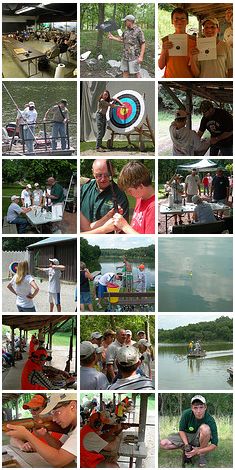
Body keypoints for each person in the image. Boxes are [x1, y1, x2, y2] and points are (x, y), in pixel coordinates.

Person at [5, 393, 77, 467]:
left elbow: (58, 459)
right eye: (30, 410)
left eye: (36, 409)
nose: (32, 412)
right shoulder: (37, 425)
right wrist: (22, 445)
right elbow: (13, 440)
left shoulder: (64, 427)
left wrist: (27, 435)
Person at [160, 395, 218, 468]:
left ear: (205, 407)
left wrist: (198, 451)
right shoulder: (186, 413)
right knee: (163, 444)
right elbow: (181, 430)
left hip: (199, 438)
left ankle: (201, 454)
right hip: (187, 435)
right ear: (192, 408)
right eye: (195, 408)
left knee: (205, 428)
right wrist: (186, 444)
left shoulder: (210, 420)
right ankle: (187, 448)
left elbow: (214, 444)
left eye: (201, 407)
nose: (198, 411)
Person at [81, 159, 129, 225]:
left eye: (107, 175)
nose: (103, 179)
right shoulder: (84, 188)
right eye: (99, 175)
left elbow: (122, 227)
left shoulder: (119, 195)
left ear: (112, 172)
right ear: (93, 173)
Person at [113, 161, 155, 234]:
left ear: (140, 186)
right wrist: (122, 226)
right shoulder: (139, 198)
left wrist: (125, 226)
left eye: (129, 190)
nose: (128, 194)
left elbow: (148, 241)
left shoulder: (153, 208)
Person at [158, 7, 196, 78]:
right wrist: (163, 50)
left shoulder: (195, 41)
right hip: (170, 81)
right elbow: (160, 66)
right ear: (172, 21)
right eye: (176, 19)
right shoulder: (166, 40)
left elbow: (198, 68)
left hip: (188, 82)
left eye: (182, 19)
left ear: (187, 21)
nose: (179, 21)